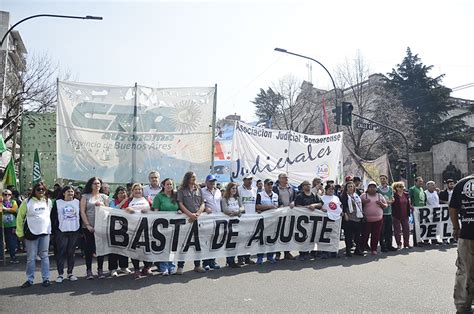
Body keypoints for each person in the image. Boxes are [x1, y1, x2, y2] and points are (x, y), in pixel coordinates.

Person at [16, 182, 53, 288]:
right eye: (38, 189)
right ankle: (29, 279)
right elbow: (20, 217)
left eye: (43, 189)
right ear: (34, 191)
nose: (41, 191)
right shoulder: (26, 202)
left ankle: (46, 279)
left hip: (45, 233)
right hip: (31, 233)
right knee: (31, 258)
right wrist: (19, 233)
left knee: (45, 256)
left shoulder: (48, 202)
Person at [448, 174, 474, 313]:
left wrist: (456, 227)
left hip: (467, 234)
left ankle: (463, 305)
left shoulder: (461, 184)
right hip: (467, 235)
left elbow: (452, 208)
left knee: (465, 270)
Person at [176, 171, 206, 274]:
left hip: (197, 219)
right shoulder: (181, 190)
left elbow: (202, 203)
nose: (194, 179)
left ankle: (197, 265)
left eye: (195, 177)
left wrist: (197, 214)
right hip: (187, 220)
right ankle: (180, 267)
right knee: (184, 243)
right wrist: (190, 215)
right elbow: (180, 204)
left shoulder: (199, 189)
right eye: (192, 177)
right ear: (187, 178)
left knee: (197, 243)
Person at [80, 177, 110, 280]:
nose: (97, 185)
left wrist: (102, 206)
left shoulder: (104, 197)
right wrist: (87, 224)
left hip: (100, 226)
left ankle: (100, 270)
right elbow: (82, 211)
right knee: (89, 249)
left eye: (98, 183)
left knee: (100, 249)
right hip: (88, 227)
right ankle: (89, 271)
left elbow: (108, 211)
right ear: (90, 185)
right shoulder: (85, 196)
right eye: (94, 183)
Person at [50, 185, 81, 283]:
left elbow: (81, 215)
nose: (70, 193)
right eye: (68, 191)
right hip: (61, 231)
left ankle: (70, 273)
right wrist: (54, 230)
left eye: (72, 191)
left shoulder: (78, 202)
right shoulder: (58, 203)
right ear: (63, 193)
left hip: (74, 230)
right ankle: (60, 274)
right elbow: (53, 217)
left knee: (71, 253)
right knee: (61, 253)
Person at [124, 183, 154, 279]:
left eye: (140, 189)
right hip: (133, 228)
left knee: (146, 249)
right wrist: (127, 209)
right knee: (134, 250)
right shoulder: (129, 200)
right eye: (136, 189)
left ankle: (147, 267)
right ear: (132, 191)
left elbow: (154, 210)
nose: (138, 191)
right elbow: (120, 211)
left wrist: (148, 211)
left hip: (146, 228)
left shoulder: (147, 199)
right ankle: (136, 269)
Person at [152, 178, 179, 275]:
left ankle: (171, 265)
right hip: (162, 225)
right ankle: (163, 267)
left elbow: (180, 207)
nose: (169, 186)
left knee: (172, 247)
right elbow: (155, 210)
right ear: (163, 185)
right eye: (167, 184)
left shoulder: (176, 196)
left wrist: (180, 211)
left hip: (175, 225)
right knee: (163, 247)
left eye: (171, 184)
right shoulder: (159, 196)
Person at [294, 180, 323, 260]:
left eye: (309, 185)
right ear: (303, 187)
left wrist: (314, 205)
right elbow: (297, 206)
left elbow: (320, 203)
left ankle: (312, 252)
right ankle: (303, 253)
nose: (308, 186)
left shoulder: (314, 195)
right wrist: (307, 207)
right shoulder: (300, 196)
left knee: (312, 236)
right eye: (306, 185)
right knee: (303, 237)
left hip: (313, 220)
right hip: (303, 220)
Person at [108, 186, 132, 277]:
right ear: (116, 194)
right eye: (121, 193)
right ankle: (113, 268)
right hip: (114, 228)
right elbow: (113, 211)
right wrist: (123, 202)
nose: (123, 194)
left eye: (124, 192)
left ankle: (124, 266)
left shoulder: (130, 202)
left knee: (124, 248)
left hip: (126, 228)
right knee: (113, 249)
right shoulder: (112, 202)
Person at [272, 173, 297, 260]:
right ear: (279, 179)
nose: (286, 179)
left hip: (289, 213)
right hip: (279, 212)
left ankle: (287, 252)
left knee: (287, 232)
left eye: (286, 178)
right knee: (278, 232)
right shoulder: (275, 188)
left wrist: (293, 202)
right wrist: (280, 205)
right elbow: (274, 198)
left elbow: (295, 197)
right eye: (284, 178)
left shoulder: (291, 188)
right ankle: (278, 253)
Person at [201, 174, 222, 271]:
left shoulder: (218, 191)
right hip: (207, 219)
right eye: (210, 181)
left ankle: (213, 261)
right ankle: (205, 262)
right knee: (207, 241)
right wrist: (205, 208)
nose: (213, 183)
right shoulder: (202, 191)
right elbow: (200, 204)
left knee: (215, 241)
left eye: (214, 181)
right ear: (206, 182)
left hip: (218, 219)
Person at [360, 181, 388, 255]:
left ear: (376, 188)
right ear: (368, 188)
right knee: (365, 234)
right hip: (366, 219)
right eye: (370, 187)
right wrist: (363, 202)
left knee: (375, 235)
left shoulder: (380, 195)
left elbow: (386, 205)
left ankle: (374, 249)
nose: (372, 189)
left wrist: (381, 204)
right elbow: (358, 205)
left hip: (378, 219)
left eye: (374, 187)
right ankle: (361, 248)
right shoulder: (363, 195)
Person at [220, 182, 244, 268]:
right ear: (229, 189)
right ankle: (230, 260)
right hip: (229, 224)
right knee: (230, 241)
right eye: (232, 188)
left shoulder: (237, 198)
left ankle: (236, 259)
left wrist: (237, 212)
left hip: (238, 223)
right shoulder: (224, 199)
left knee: (237, 241)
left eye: (235, 188)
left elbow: (242, 207)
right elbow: (225, 210)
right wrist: (235, 213)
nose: (234, 190)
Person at [255, 179, 278, 264]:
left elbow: (278, 205)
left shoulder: (275, 195)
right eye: (268, 184)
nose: (270, 186)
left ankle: (270, 256)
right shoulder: (260, 195)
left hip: (273, 220)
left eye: (271, 184)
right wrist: (269, 207)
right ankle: (260, 257)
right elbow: (257, 206)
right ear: (264, 185)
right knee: (261, 239)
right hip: (263, 220)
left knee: (271, 239)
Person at [237, 174, 257, 265]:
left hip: (252, 218)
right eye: (248, 179)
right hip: (242, 218)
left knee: (249, 238)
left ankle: (247, 257)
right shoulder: (239, 189)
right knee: (241, 239)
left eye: (251, 179)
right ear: (244, 180)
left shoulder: (254, 190)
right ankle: (240, 258)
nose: (250, 181)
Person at [340, 182, 364, 257]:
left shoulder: (356, 196)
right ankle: (348, 250)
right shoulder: (344, 196)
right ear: (346, 188)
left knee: (357, 236)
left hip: (357, 218)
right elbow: (342, 206)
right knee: (348, 236)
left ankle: (357, 249)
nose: (350, 188)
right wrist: (345, 214)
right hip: (349, 219)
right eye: (349, 186)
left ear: (354, 187)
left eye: (352, 186)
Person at [320, 184, 343, 258]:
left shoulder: (336, 198)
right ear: (326, 190)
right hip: (326, 218)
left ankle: (333, 251)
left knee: (334, 235)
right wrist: (321, 209)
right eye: (329, 189)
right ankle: (324, 252)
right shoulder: (322, 198)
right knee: (326, 235)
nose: (331, 190)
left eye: (332, 189)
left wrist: (341, 211)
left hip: (336, 219)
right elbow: (319, 206)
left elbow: (340, 206)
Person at [377, 175, 397, 252]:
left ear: (386, 179)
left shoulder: (390, 189)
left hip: (389, 212)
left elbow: (392, 198)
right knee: (381, 231)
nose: (382, 180)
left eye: (384, 179)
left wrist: (390, 201)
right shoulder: (378, 189)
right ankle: (383, 246)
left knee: (389, 230)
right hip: (381, 213)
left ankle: (389, 245)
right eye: (381, 179)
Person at [392, 181, 411, 249]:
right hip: (396, 215)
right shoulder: (394, 195)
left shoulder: (406, 194)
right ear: (396, 188)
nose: (401, 188)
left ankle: (406, 243)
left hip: (405, 214)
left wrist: (411, 207)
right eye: (399, 186)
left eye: (402, 186)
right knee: (397, 230)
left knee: (406, 229)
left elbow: (408, 203)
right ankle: (399, 244)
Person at [2, 189, 19, 263]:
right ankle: (2, 257)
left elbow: (14, 209)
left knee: (12, 242)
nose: (7, 196)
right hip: (2, 225)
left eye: (9, 194)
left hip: (11, 225)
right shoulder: (0, 202)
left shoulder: (13, 202)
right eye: (5, 194)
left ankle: (13, 257)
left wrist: (5, 209)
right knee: (2, 242)